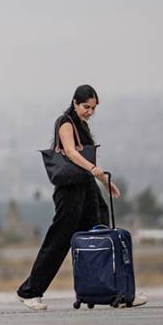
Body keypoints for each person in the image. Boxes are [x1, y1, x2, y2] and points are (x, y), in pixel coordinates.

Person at [16, 84, 146, 310]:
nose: (90, 112)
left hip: (87, 189)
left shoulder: (82, 125)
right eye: (86, 106)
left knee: (102, 235)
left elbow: (86, 164)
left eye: (93, 108)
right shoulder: (65, 122)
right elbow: (72, 153)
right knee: (58, 241)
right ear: (75, 103)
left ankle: (118, 292)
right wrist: (96, 171)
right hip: (70, 191)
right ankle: (30, 292)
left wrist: (105, 182)